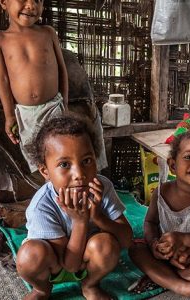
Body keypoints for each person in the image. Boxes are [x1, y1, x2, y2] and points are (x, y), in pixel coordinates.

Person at [15, 114, 133, 300]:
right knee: (28, 257)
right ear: (45, 171)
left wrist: (99, 218)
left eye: (86, 161)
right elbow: (68, 265)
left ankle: (90, 285)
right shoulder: (42, 206)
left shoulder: (102, 188)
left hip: (89, 261)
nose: (79, 174)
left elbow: (126, 240)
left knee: (107, 245)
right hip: (54, 263)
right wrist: (80, 222)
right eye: (64, 164)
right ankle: (41, 290)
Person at [0, 0, 107, 173]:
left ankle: (72, 191)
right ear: (3, 2)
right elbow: (3, 80)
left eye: (37, 0)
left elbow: (61, 70)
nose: (31, 5)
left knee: (64, 154)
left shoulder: (47, 33)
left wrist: (64, 104)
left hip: (54, 108)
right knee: (41, 162)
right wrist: (9, 116)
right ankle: (52, 195)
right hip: (26, 115)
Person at [129, 129, 190, 300]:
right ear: (173, 165)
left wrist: (183, 240)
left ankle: (161, 278)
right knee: (136, 250)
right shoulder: (161, 192)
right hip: (164, 255)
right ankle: (183, 287)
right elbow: (150, 223)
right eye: (189, 157)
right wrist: (154, 244)